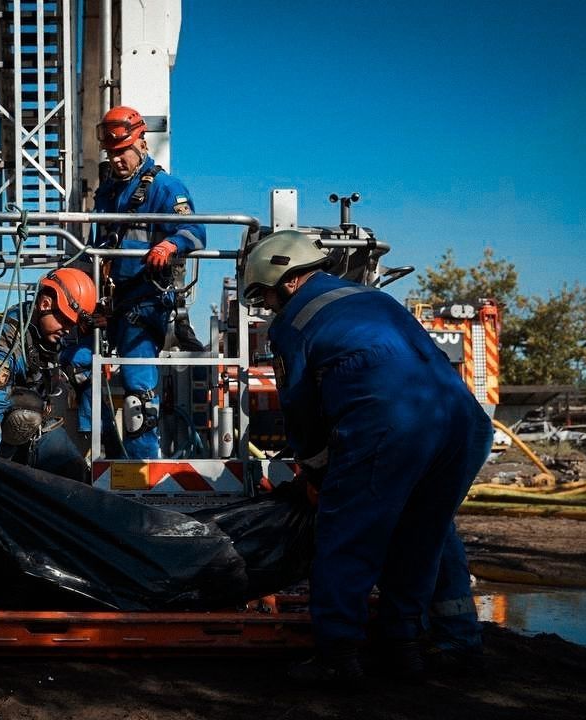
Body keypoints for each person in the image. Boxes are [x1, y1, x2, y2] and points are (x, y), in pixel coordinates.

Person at [241, 230, 493, 684]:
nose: (268, 307)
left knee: (348, 534)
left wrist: (314, 473)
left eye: (266, 296)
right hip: (462, 423)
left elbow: (300, 408)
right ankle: (407, 649)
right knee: (424, 535)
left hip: (394, 424)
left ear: (288, 280)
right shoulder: (373, 298)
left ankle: (338, 657)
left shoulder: (294, 322)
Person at [85, 105, 207, 459]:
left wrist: (171, 244)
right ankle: (99, 450)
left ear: (142, 143)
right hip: (111, 301)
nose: (116, 159)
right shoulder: (108, 193)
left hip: (146, 301)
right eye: (111, 153)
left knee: (137, 393)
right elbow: (96, 247)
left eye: (122, 151)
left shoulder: (166, 187)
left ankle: (143, 468)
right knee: (79, 364)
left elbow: (196, 232)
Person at [0, 268, 97, 482]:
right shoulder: (5, 338)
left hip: (32, 427)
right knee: (22, 414)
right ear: (45, 304)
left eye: (72, 324)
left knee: (73, 469)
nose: (68, 330)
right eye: (65, 321)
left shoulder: (51, 337)